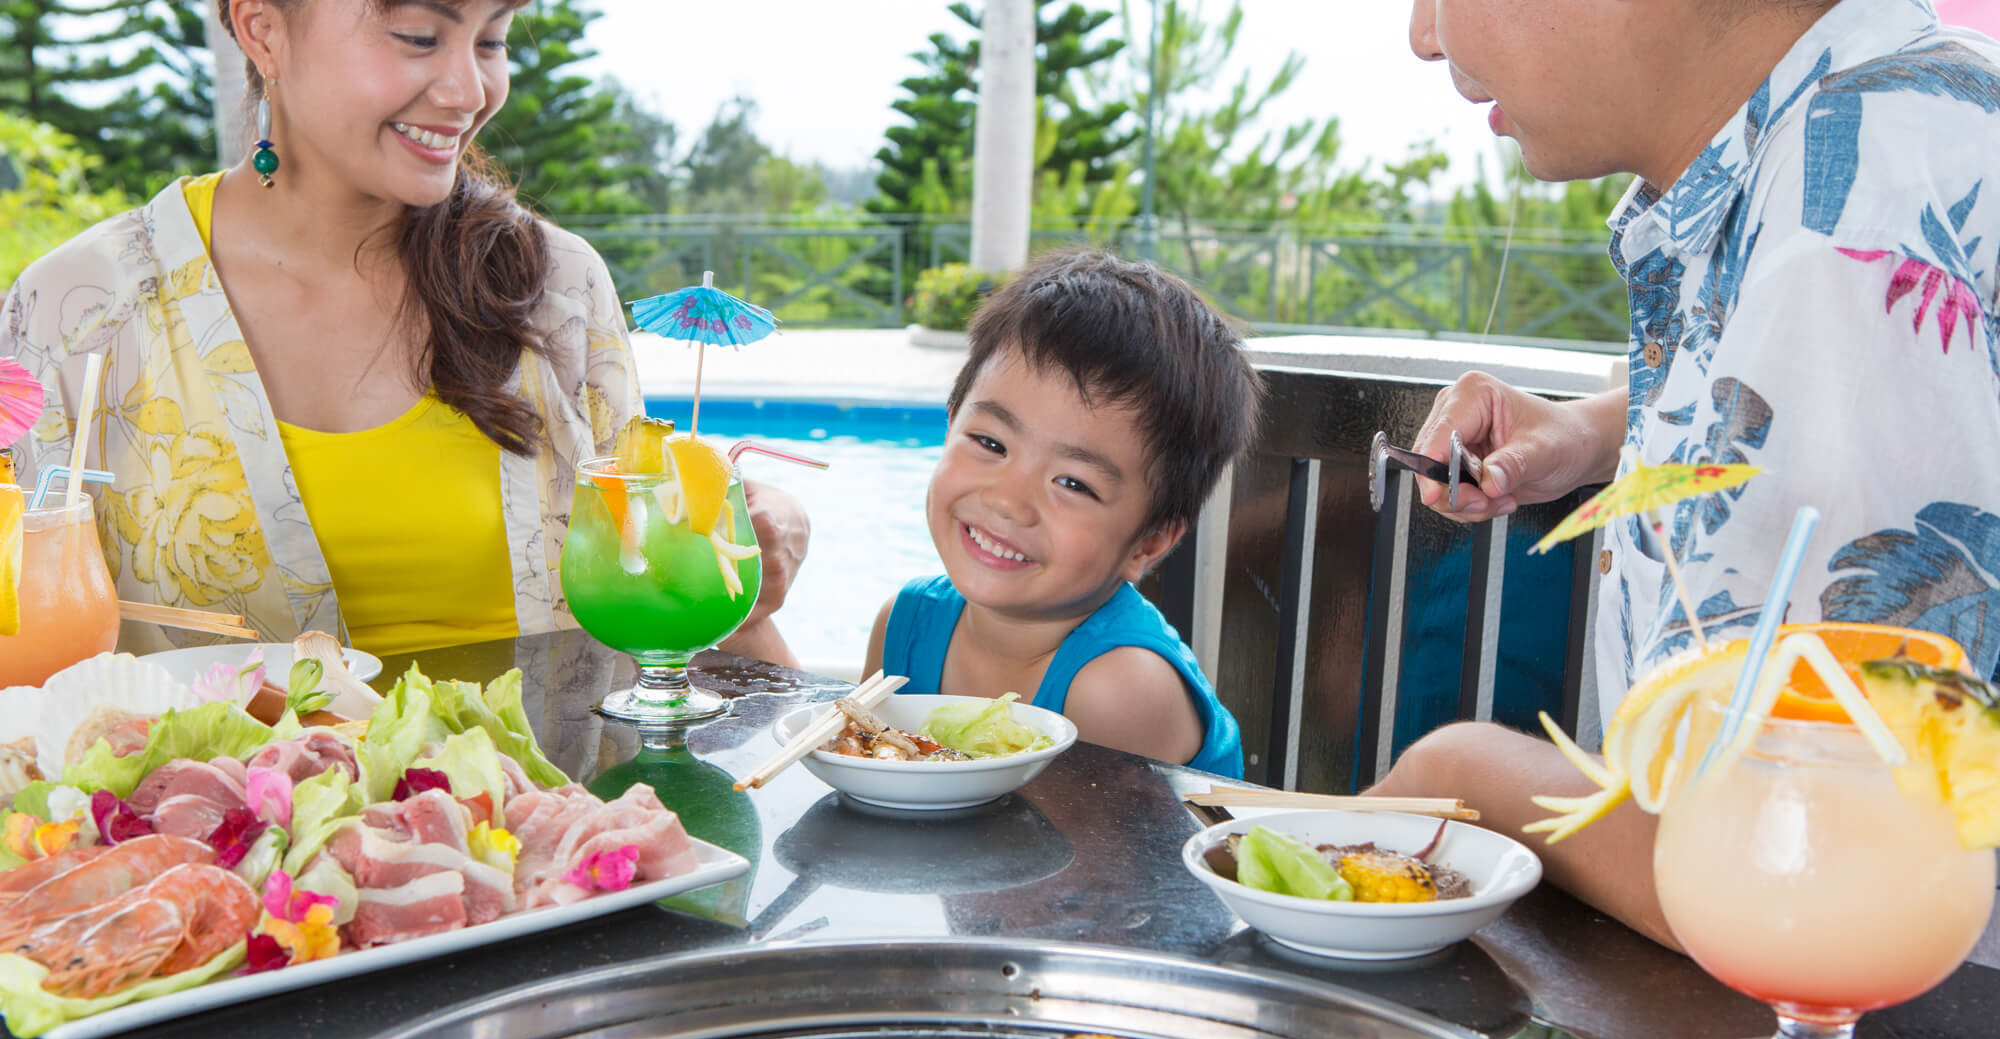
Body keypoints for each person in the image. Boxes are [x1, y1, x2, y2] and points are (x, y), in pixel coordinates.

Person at [1372, 0, 2000, 947]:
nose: (1424, 35)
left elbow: (1815, 878)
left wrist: (1454, 772)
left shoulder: (1848, 209)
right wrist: (1595, 431)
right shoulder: (1893, 115)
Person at [0, 0, 805, 664]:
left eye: (491, 39)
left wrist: (733, 552)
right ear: (260, 29)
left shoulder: (555, 288)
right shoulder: (79, 311)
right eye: (419, 36)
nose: (467, 90)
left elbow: (646, 585)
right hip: (212, 848)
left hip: (551, 837)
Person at [865, 250, 1260, 778]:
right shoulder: (906, 623)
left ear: (1149, 544)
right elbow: (845, 766)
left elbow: (1064, 861)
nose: (1008, 499)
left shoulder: (1118, 689)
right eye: (990, 442)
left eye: (1073, 483)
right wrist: (756, 621)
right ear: (951, 423)